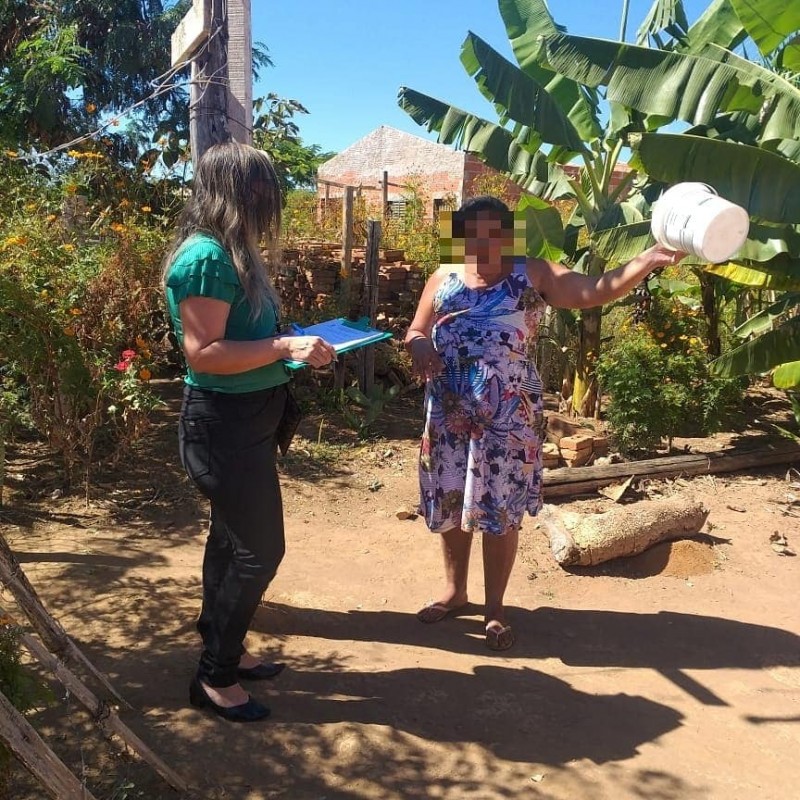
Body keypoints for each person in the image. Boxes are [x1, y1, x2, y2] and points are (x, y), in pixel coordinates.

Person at [405, 196, 684, 651]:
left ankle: (495, 609)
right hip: (449, 412)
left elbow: (595, 290)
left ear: (508, 235)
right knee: (453, 500)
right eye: (472, 232)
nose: (483, 241)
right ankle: (455, 592)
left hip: (506, 416)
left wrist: (648, 258)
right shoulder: (444, 275)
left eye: (494, 232)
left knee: (499, 509)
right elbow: (417, 329)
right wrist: (418, 344)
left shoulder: (531, 273)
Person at [163, 142, 336, 721]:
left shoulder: (232, 252)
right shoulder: (208, 257)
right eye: (262, 189)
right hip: (223, 426)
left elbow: (244, 341)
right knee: (260, 551)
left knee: (231, 542)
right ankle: (213, 679)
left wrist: (291, 348)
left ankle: (224, 652)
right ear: (234, 192)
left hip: (245, 423)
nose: (272, 200)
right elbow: (204, 354)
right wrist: (286, 346)